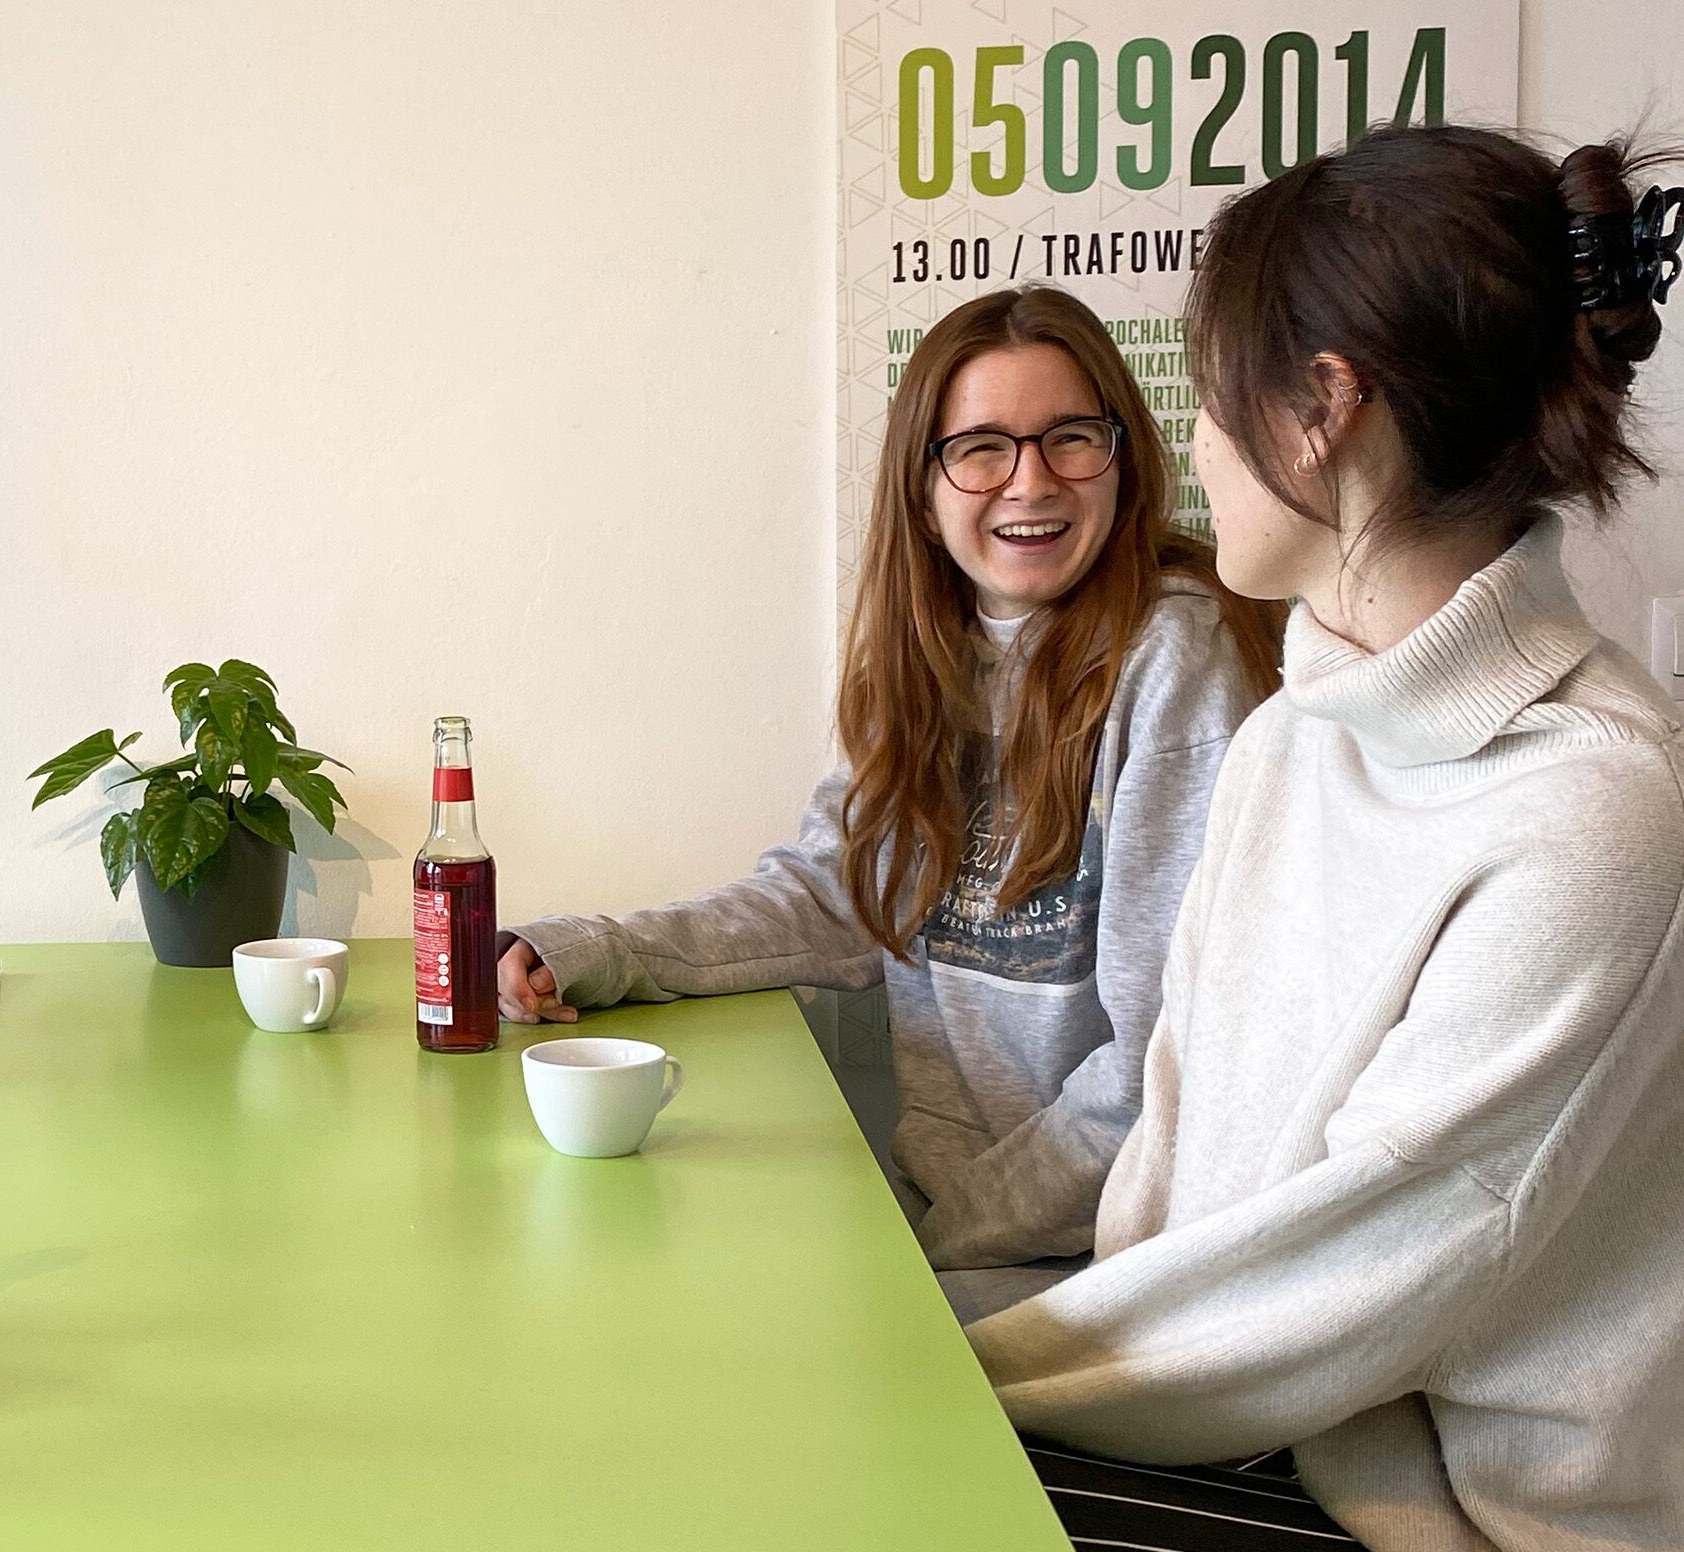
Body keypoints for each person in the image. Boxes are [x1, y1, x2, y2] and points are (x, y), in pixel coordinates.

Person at [968, 127, 1684, 1550]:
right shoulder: (1301, 724)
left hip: (1434, 1520)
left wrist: (941, 1373)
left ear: (1324, 410)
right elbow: (1178, 1125)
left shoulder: (1595, 813)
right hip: (1224, 1434)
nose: (1194, 446)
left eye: (1211, 396)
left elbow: (1357, 1271)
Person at [499, 286, 1281, 1307]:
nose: (1030, 481)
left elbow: (1159, 1068)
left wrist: (924, 1246)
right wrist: (601, 950)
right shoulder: (935, 655)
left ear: (1123, 460)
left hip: (1106, 1262)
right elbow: (834, 896)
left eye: (1070, 439)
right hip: (964, 1227)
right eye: (982, 447)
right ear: (924, 488)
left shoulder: (1176, 658)